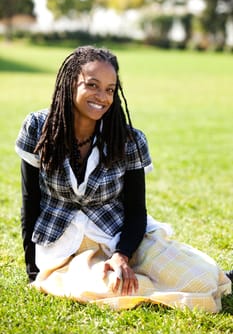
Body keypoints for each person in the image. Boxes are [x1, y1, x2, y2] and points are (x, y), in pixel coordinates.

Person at [15, 45, 231, 313]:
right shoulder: (38, 128)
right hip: (65, 248)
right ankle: (74, 280)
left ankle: (169, 276)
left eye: (109, 89)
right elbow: (30, 202)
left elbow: (136, 211)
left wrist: (121, 255)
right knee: (107, 288)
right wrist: (32, 271)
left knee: (202, 280)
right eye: (92, 85)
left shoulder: (130, 140)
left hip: (117, 234)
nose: (102, 97)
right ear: (70, 83)